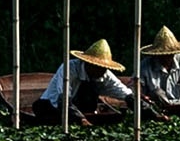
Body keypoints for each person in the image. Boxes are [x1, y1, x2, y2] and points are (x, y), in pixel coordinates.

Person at [30, 39, 167, 126]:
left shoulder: (105, 75)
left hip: (81, 108)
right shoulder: (69, 68)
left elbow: (127, 95)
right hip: (52, 107)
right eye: (99, 67)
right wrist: (81, 119)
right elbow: (63, 100)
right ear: (89, 64)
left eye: (104, 68)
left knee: (91, 92)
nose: (103, 71)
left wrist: (153, 114)